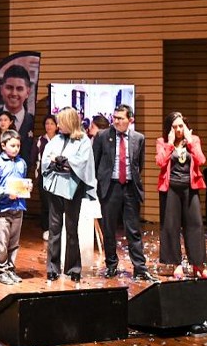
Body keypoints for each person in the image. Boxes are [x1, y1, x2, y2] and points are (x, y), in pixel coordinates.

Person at [93, 104, 157, 282]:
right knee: (109, 229)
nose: (116, 121)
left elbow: (138, 165)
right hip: (110, 187)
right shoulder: (102, 136)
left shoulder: (139, 138)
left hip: (130, 188)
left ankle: (140, 268)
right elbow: (95, 162)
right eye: (115, 118)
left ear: (130, 120)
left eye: (120, 118)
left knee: (133, 229)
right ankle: (111, 265)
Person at [41, 106, 96, 283]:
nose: (58, 125)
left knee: (72, 229)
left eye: (61, 122)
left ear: (70, 122)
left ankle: (73, 268)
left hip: (73, 188)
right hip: (55, 187)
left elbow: (81, 163)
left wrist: (61, 161)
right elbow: (47, 160)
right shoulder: (55, 140)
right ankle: (52, 268)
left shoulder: (83, 141)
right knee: (54, 229)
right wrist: (61, 163)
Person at [156, 112, 207, 279]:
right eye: (175, 127)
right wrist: (170, 144)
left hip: (190, 187)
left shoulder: (194, 140)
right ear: (169, 129)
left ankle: (198, 265)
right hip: (170, 188)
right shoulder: (162, 142)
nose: (178, 129)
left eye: (181, 126)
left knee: (195, 224)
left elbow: (201, 160)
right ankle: (176, 264)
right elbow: (160, 162)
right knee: (171, 225)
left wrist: (190, 141)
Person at [0, 130, 29, 285]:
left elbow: (23, 181)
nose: (16, 149)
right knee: (2, 242)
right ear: (3, 145)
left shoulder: (22, 163)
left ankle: (10, 269)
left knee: (14, 242)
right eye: (12, 145)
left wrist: (26, 187)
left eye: (18, 146)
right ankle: (0, 270)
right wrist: (6, 192)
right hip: (3, 208)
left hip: (18, 207)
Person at [0, 64, 35, 151]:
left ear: (28, 92)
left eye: (19, 89)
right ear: (1, 89)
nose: (14, 93)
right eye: (9, 87)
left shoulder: (32, 120)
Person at [30, 114, 57, 241]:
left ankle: (56, 228)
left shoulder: (61, 140)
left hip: (58, 176)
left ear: (57, 126)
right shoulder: (40, 140)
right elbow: (33, 158)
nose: (49, 126)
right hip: (43, 176)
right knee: (45, 203)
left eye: (52, 123)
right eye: (47, 123)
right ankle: (46, 228)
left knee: (56, 203)